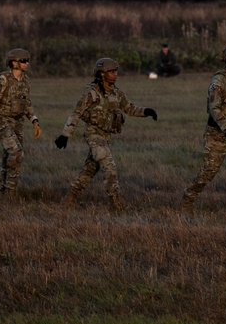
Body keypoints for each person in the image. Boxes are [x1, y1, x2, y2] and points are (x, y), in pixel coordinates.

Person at [55, 57, 157, 212]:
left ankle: (69, 199)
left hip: (105, 136)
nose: (115, 74)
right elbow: (76, 114)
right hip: (93, 135)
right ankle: (116, 206)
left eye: (116, 71)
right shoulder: (91, 94)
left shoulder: (117, 93)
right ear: (102, 74)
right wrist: (65, 135)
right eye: (111, 72)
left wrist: (146, 111)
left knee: (90, 169)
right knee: (110, 169)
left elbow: (129, 108)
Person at [181, 43, 226, 214]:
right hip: (218, 135)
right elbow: (214, 109)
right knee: (208, 172)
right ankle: (188, 198)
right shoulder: (218, 81)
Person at [0, 48, 41, 195]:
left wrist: (34, 120)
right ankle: (10, 192)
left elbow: (27, 102)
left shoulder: (25, 80)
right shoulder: (3, 79)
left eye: (27, 60)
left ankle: (1, 190)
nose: (26, 63)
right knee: (17, 153)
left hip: (18, 122)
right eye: (23, 61)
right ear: (13, 62)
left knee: (8, 156)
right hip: (3, 121)